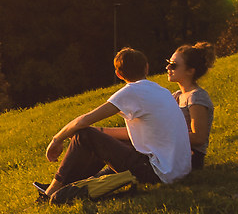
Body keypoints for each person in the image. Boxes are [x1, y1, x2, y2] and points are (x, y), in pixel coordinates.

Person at [38, 46, 192, 204]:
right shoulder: (162, 91)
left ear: (118, 74)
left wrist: (57, 139)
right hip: (179, 170)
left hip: (156, 174)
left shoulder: (132, 91)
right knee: (103, 141)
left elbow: (83, 121)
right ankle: (66, 185)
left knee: (85, 135)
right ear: (146, 67)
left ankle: (49, 193)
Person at [168, 41, 216, 170]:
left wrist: (163, 136)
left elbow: (199, 138)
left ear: (190, 71)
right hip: (173, 152)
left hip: (191, 158)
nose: (168, 68)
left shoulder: (196, 97)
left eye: (173, 65)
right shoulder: (176, 96)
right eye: (169, 63)